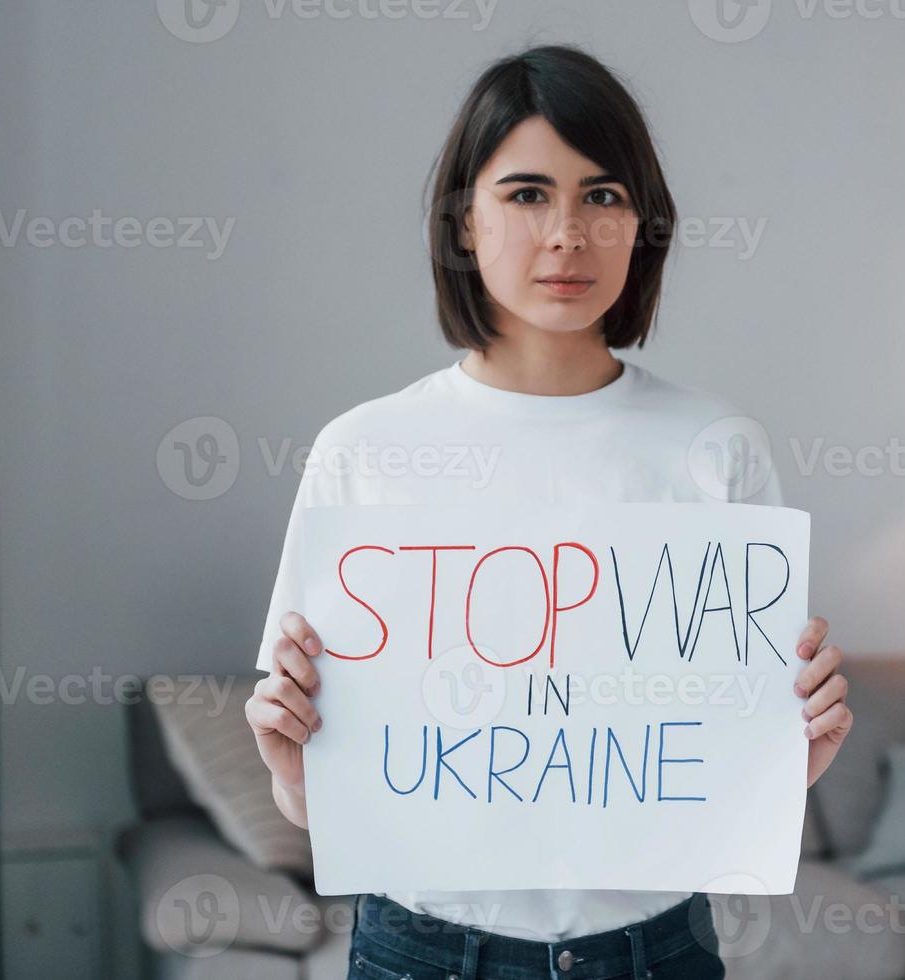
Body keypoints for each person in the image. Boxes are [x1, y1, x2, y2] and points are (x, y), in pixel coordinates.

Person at [247, 43, 853, 980]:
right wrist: (293, 769)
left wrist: (786, 762)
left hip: (656, 952)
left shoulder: (719, 447)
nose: (568, 233)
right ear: (463, 223)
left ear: (642, 224)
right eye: (527, 194)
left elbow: (722, 770)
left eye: (603, 196)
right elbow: (327, 802)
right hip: (421, 952)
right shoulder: (364, 452)